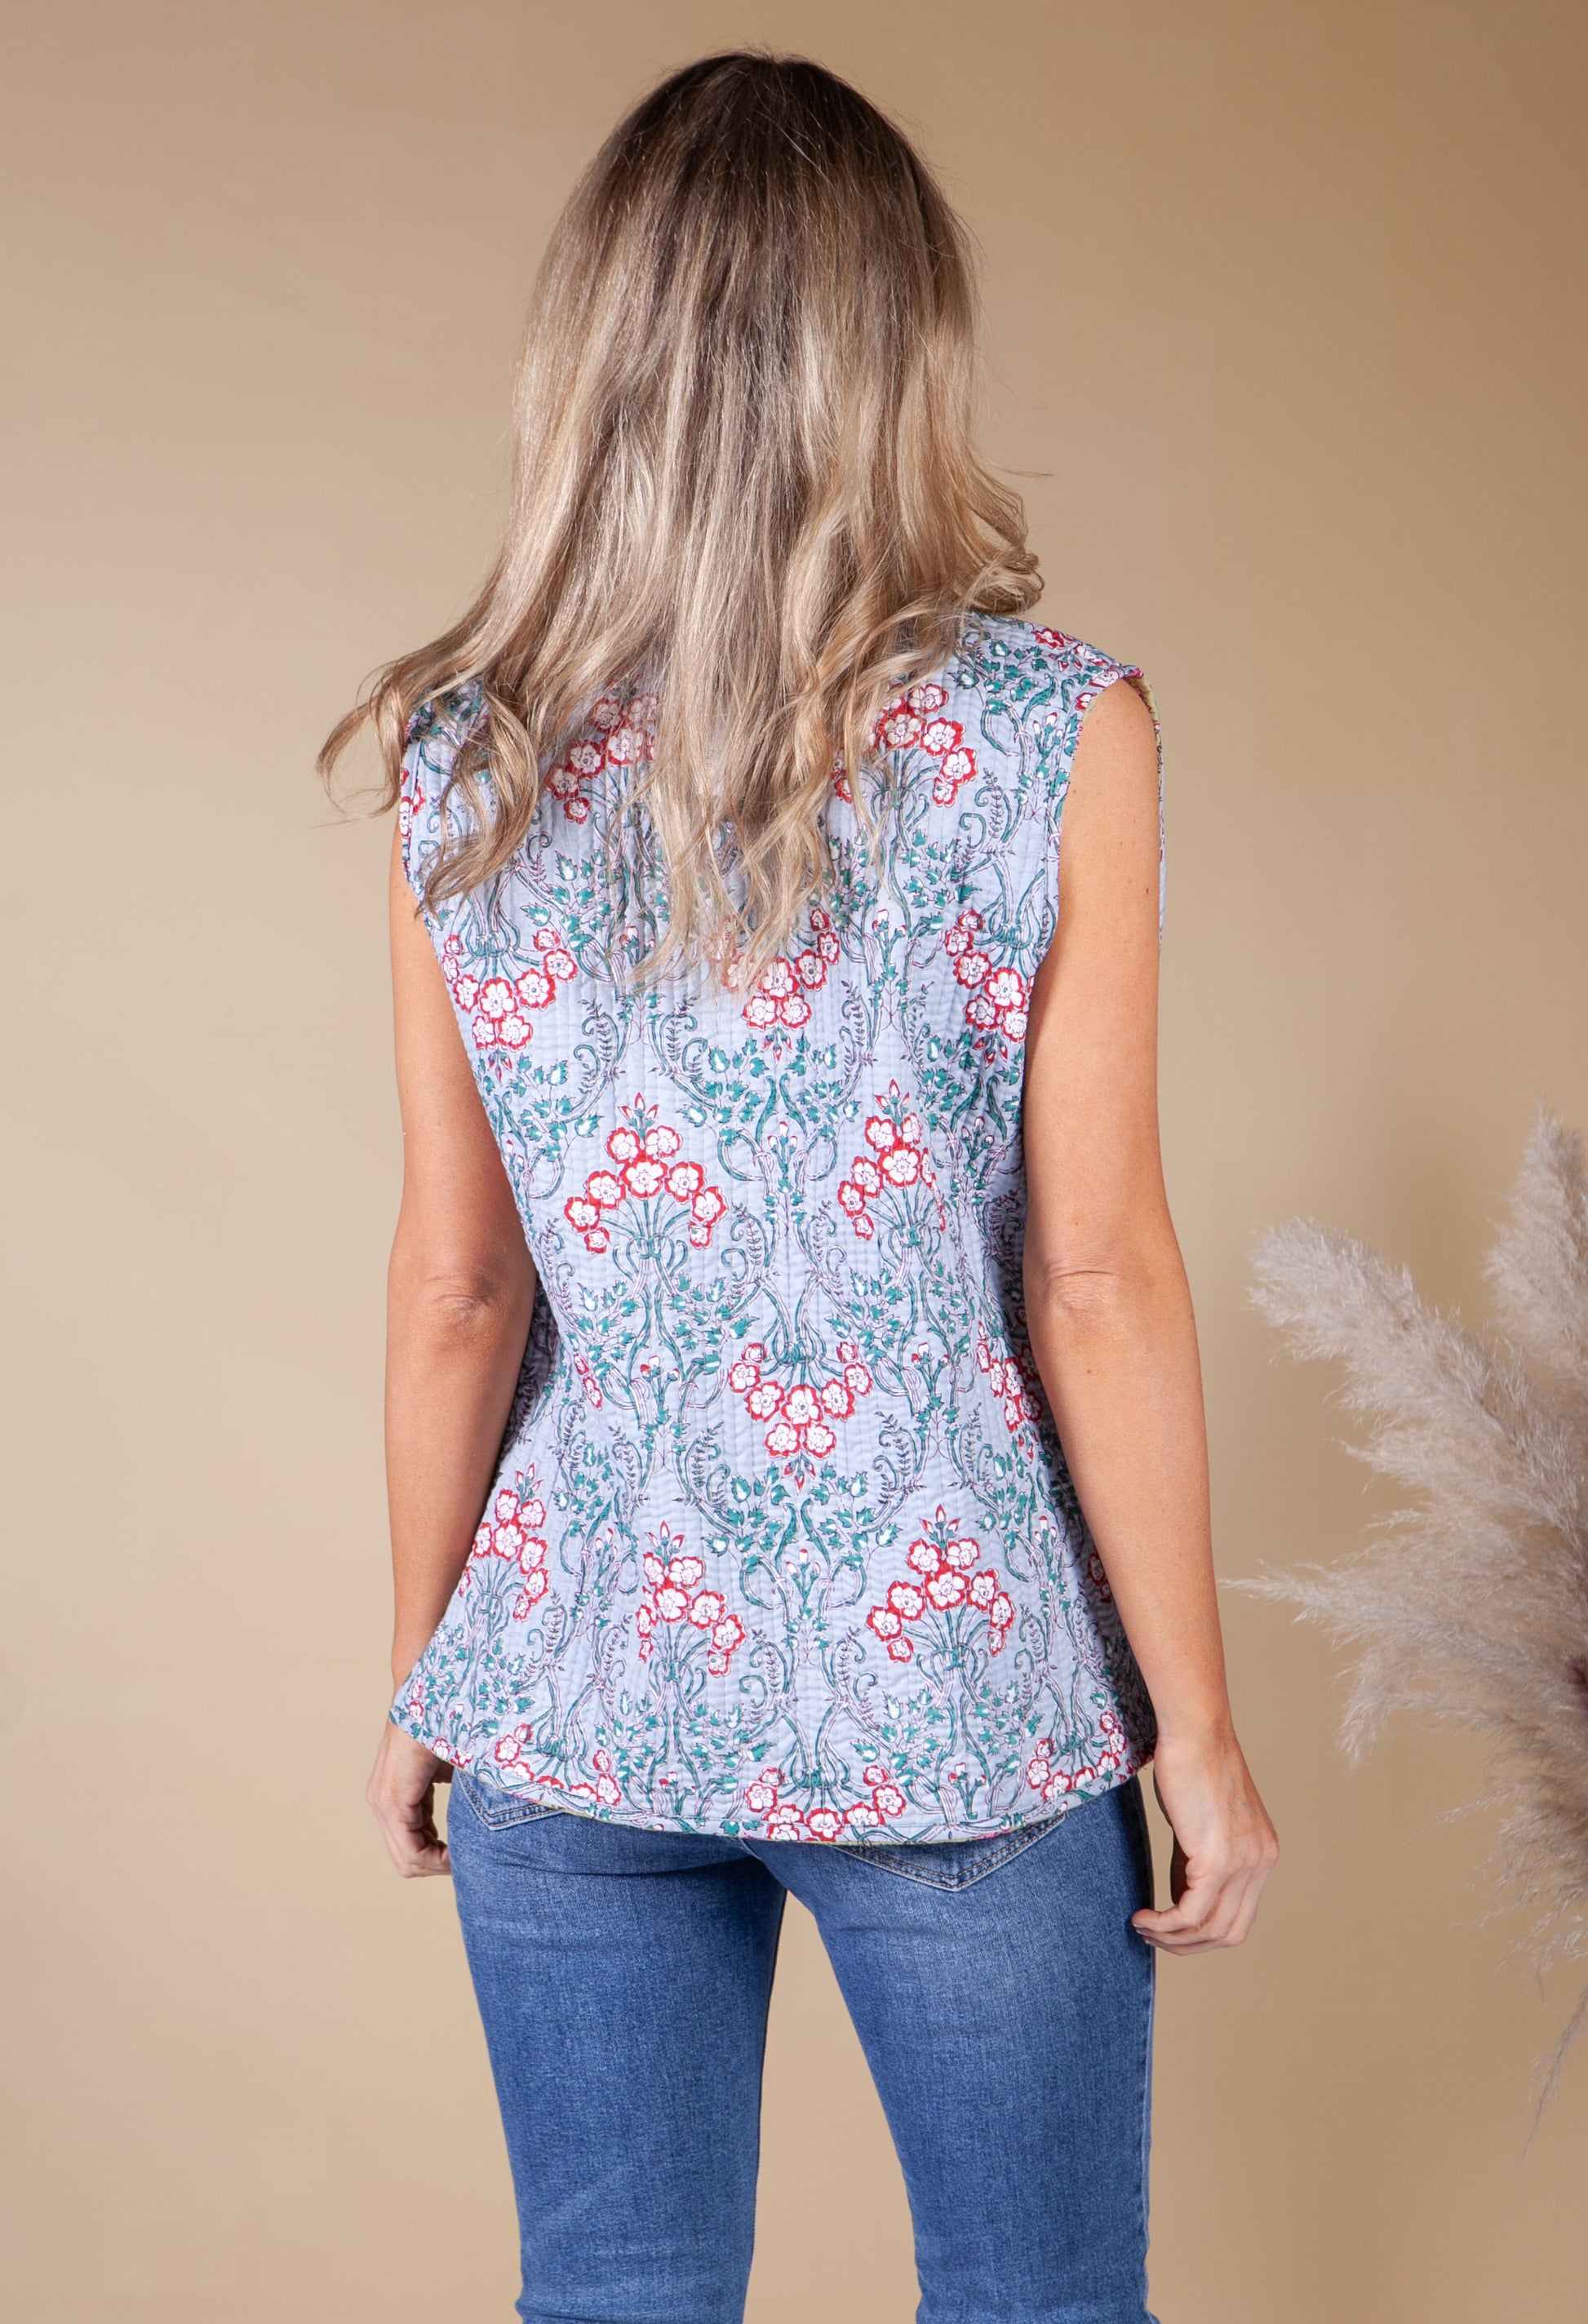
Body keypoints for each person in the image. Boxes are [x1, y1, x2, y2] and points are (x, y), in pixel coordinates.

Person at [324, 50, 1278, 2324]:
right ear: (900, 352)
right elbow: (1094, 1277)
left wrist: (434, 1665)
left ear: (593, 358)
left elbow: (458, 1285)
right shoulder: (1052, 733)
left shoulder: (467, 758)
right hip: (948, 1685)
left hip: (579, 1679)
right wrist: (1199, 1732)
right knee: (1040, 2305)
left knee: (615, 2294)